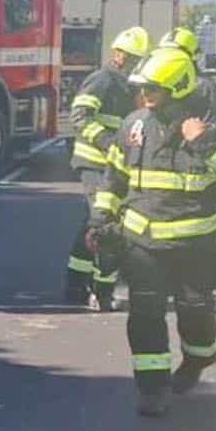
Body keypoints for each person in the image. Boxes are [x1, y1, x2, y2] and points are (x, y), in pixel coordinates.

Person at [89, 47, 216, 417]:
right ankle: (152, 388)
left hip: (195, 246)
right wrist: (100, 220)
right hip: (143, 245)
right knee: (145, 316)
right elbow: (114, 178)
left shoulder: (213, 126)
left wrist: (203, 142)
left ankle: (199, 359)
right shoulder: (134, 125)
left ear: (177, 87)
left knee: (195, 313)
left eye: (153, 89)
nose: (144, 95)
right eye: (142, 88)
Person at [65, 26, 151, 310]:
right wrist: (108, 142)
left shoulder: (130, 86)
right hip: (95, 162)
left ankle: (75, 285)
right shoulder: (102, 79)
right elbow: (79, 116)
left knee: (92, 223)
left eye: (136, 58)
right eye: (128, 56)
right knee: (106, 225)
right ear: (116, 53)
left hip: (113, 166)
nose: (131, 62)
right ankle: (102, 292)